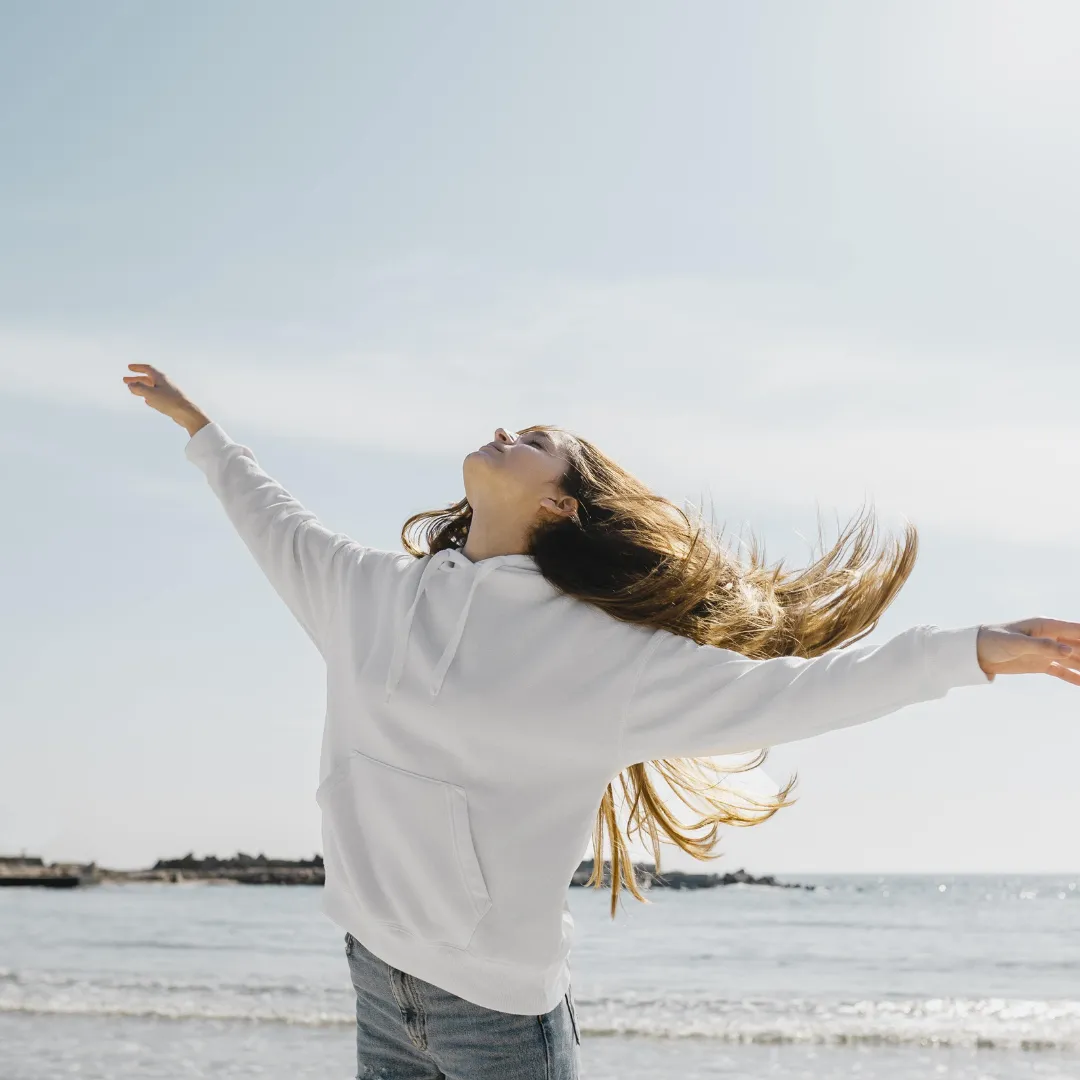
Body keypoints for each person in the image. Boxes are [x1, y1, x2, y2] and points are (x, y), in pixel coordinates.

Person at [123, 362, 1080, 1080]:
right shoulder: (367, 593)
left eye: (537, 439)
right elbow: (272, 519)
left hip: (499, 1023)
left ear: (558, 503)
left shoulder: (604, 661)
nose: (507, 429)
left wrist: (976, 650)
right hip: (376, 982)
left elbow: (800, 691)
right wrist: (202, 430)